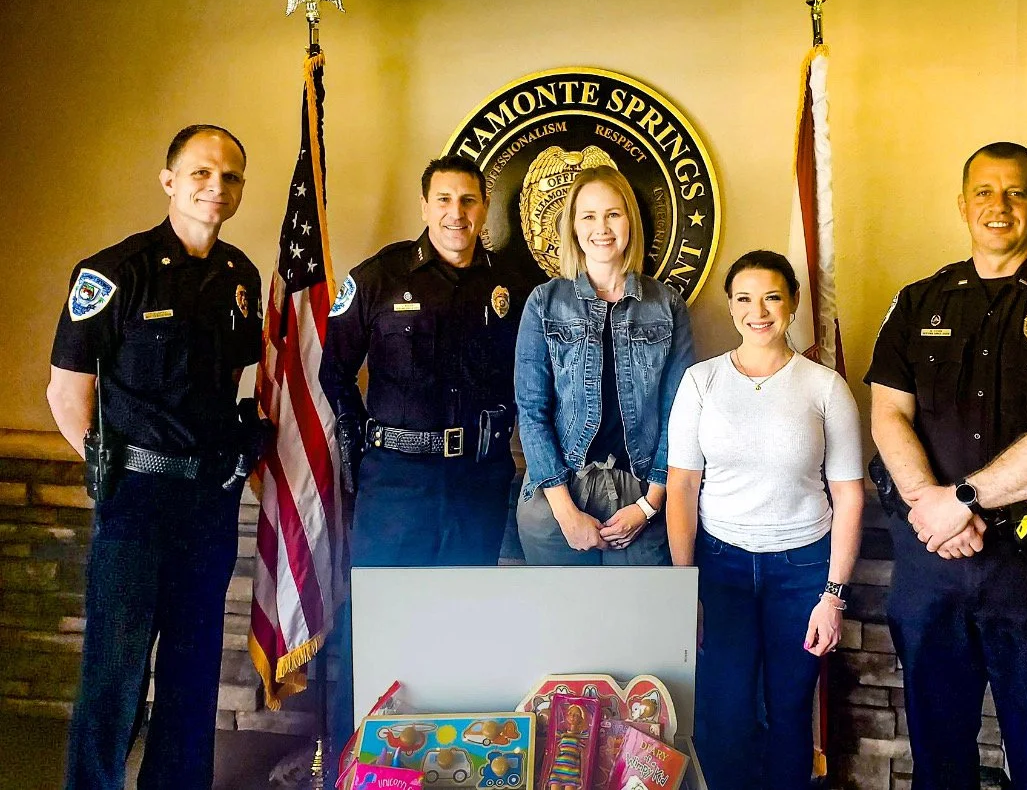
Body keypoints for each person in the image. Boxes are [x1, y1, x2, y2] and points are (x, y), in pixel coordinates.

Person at [865, 142, 1027, 789]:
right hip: (933, 569)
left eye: (1016, 192)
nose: (999, 205)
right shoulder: (918, 303)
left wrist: (958, 501)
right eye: (985, 191)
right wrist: (931, 505)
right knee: (937, 750)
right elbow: (886, 415)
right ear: (963, 204)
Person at [46, 125, 262, 790]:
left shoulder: (240, 278)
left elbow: (242, 382)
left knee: (192, 671)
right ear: (169, 180)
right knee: (115, 671)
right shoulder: (114, 272)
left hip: (207, 503)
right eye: (201, 173)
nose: (215, 188)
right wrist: (109, 472)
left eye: (229, 177)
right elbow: (66, 391)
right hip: (135, 500)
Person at [319, 154, 529, 769]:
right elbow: (333, 369)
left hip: (479, 481)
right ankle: (355, 764)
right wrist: (360, 441)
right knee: (376, 622)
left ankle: (446, 766)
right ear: (424, 206)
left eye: (468, 201)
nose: (456, 213)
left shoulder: (513, 286)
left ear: (483, 209)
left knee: (461, 622)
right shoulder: (381, 277)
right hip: (396, 484)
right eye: (444, 199)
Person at [666, 249, 864, 790]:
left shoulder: (825, 387)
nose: (760, 311)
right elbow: (682, 485)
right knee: (723, 716)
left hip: (802, 573)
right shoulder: (701, 383)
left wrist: (833, 595)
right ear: (730, 308)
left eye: (772, 297)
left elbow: (849, 495)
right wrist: (687, 587)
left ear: (794, 303)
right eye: (745, 299)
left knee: (789, 712)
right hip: (720, 569)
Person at [514, 165, 694, 565]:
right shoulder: (544, 302)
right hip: (557, 492)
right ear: (574, 228)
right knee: (563, 625)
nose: (602, 227)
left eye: (613, 213)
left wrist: (649, 506)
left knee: (635, 627)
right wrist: (566, 514)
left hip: (641, 494)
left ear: (630, 220)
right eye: (589, 216)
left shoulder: (667, 305)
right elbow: (531, 413)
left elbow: (678, 417)